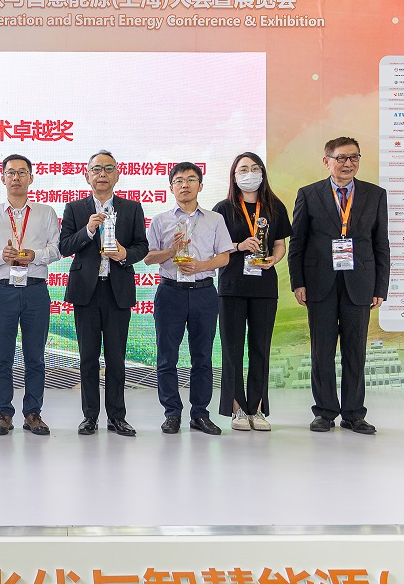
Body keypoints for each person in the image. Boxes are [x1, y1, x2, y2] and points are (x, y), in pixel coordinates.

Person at [288, 137, 389, 435]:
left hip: (360, 283)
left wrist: (380, 287)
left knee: (355, 351)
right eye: (341, 158)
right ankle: (324, 412)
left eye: (354, 157)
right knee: (322, 351)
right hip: (320, 283)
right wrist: (298, 282)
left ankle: (354, 414)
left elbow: (381, 244)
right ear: (326, 161)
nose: (348, 164)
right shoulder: (309, 194)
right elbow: (298, 243)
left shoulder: (375, 194)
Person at [59, 150, 148, 436]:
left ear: (117, 175)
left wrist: (125, 254)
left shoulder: (132, 208)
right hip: (86, 291)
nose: (102, 174)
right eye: (96, 169)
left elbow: (142, 246)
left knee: (116, 358)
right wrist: (88, 230)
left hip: (117, 290)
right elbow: (64, 246)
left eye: (108, 169)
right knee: (88, 358)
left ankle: (117, 417)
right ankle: (90, 416)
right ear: (87, 175)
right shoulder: (75, 208)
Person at [0, 154, 61, 436]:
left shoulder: (46, 212)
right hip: (3, 291)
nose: (16, 178)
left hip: (35, 290)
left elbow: (57, 248)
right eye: (11, 173)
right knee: (2, 357)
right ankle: (4, 413)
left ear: (31, 178)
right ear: (2, 178)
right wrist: (1, 255)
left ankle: (33, 413)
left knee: (35, 356)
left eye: (22, 172)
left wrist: (35, 255)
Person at [145, 162, 233, 435]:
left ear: (200, 186)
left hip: (204, 292)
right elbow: (149, 258)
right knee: (166, 357)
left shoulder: (215, 219)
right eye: (179, 180)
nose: (185, 185)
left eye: (191, 179)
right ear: (171, 188)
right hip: (170, 292)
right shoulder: (160, 220)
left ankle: (200, 414)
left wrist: (201, 266)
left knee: (202, 357)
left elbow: (225, 256)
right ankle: (172, 413)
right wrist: (172, 250)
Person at [213, 152, 291, 432]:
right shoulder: (223, 209)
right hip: (232, 287)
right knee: (232, 349)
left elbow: (280, 243)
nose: (250, 173)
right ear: (234, 176)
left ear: (262, 173)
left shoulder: (274, 206)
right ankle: (237, 408)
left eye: (255, 168)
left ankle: (256, 408)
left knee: (261, 348)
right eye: (243, 169)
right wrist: (239, 246)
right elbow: (215, 247)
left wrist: (274, 259)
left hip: (264, 287)